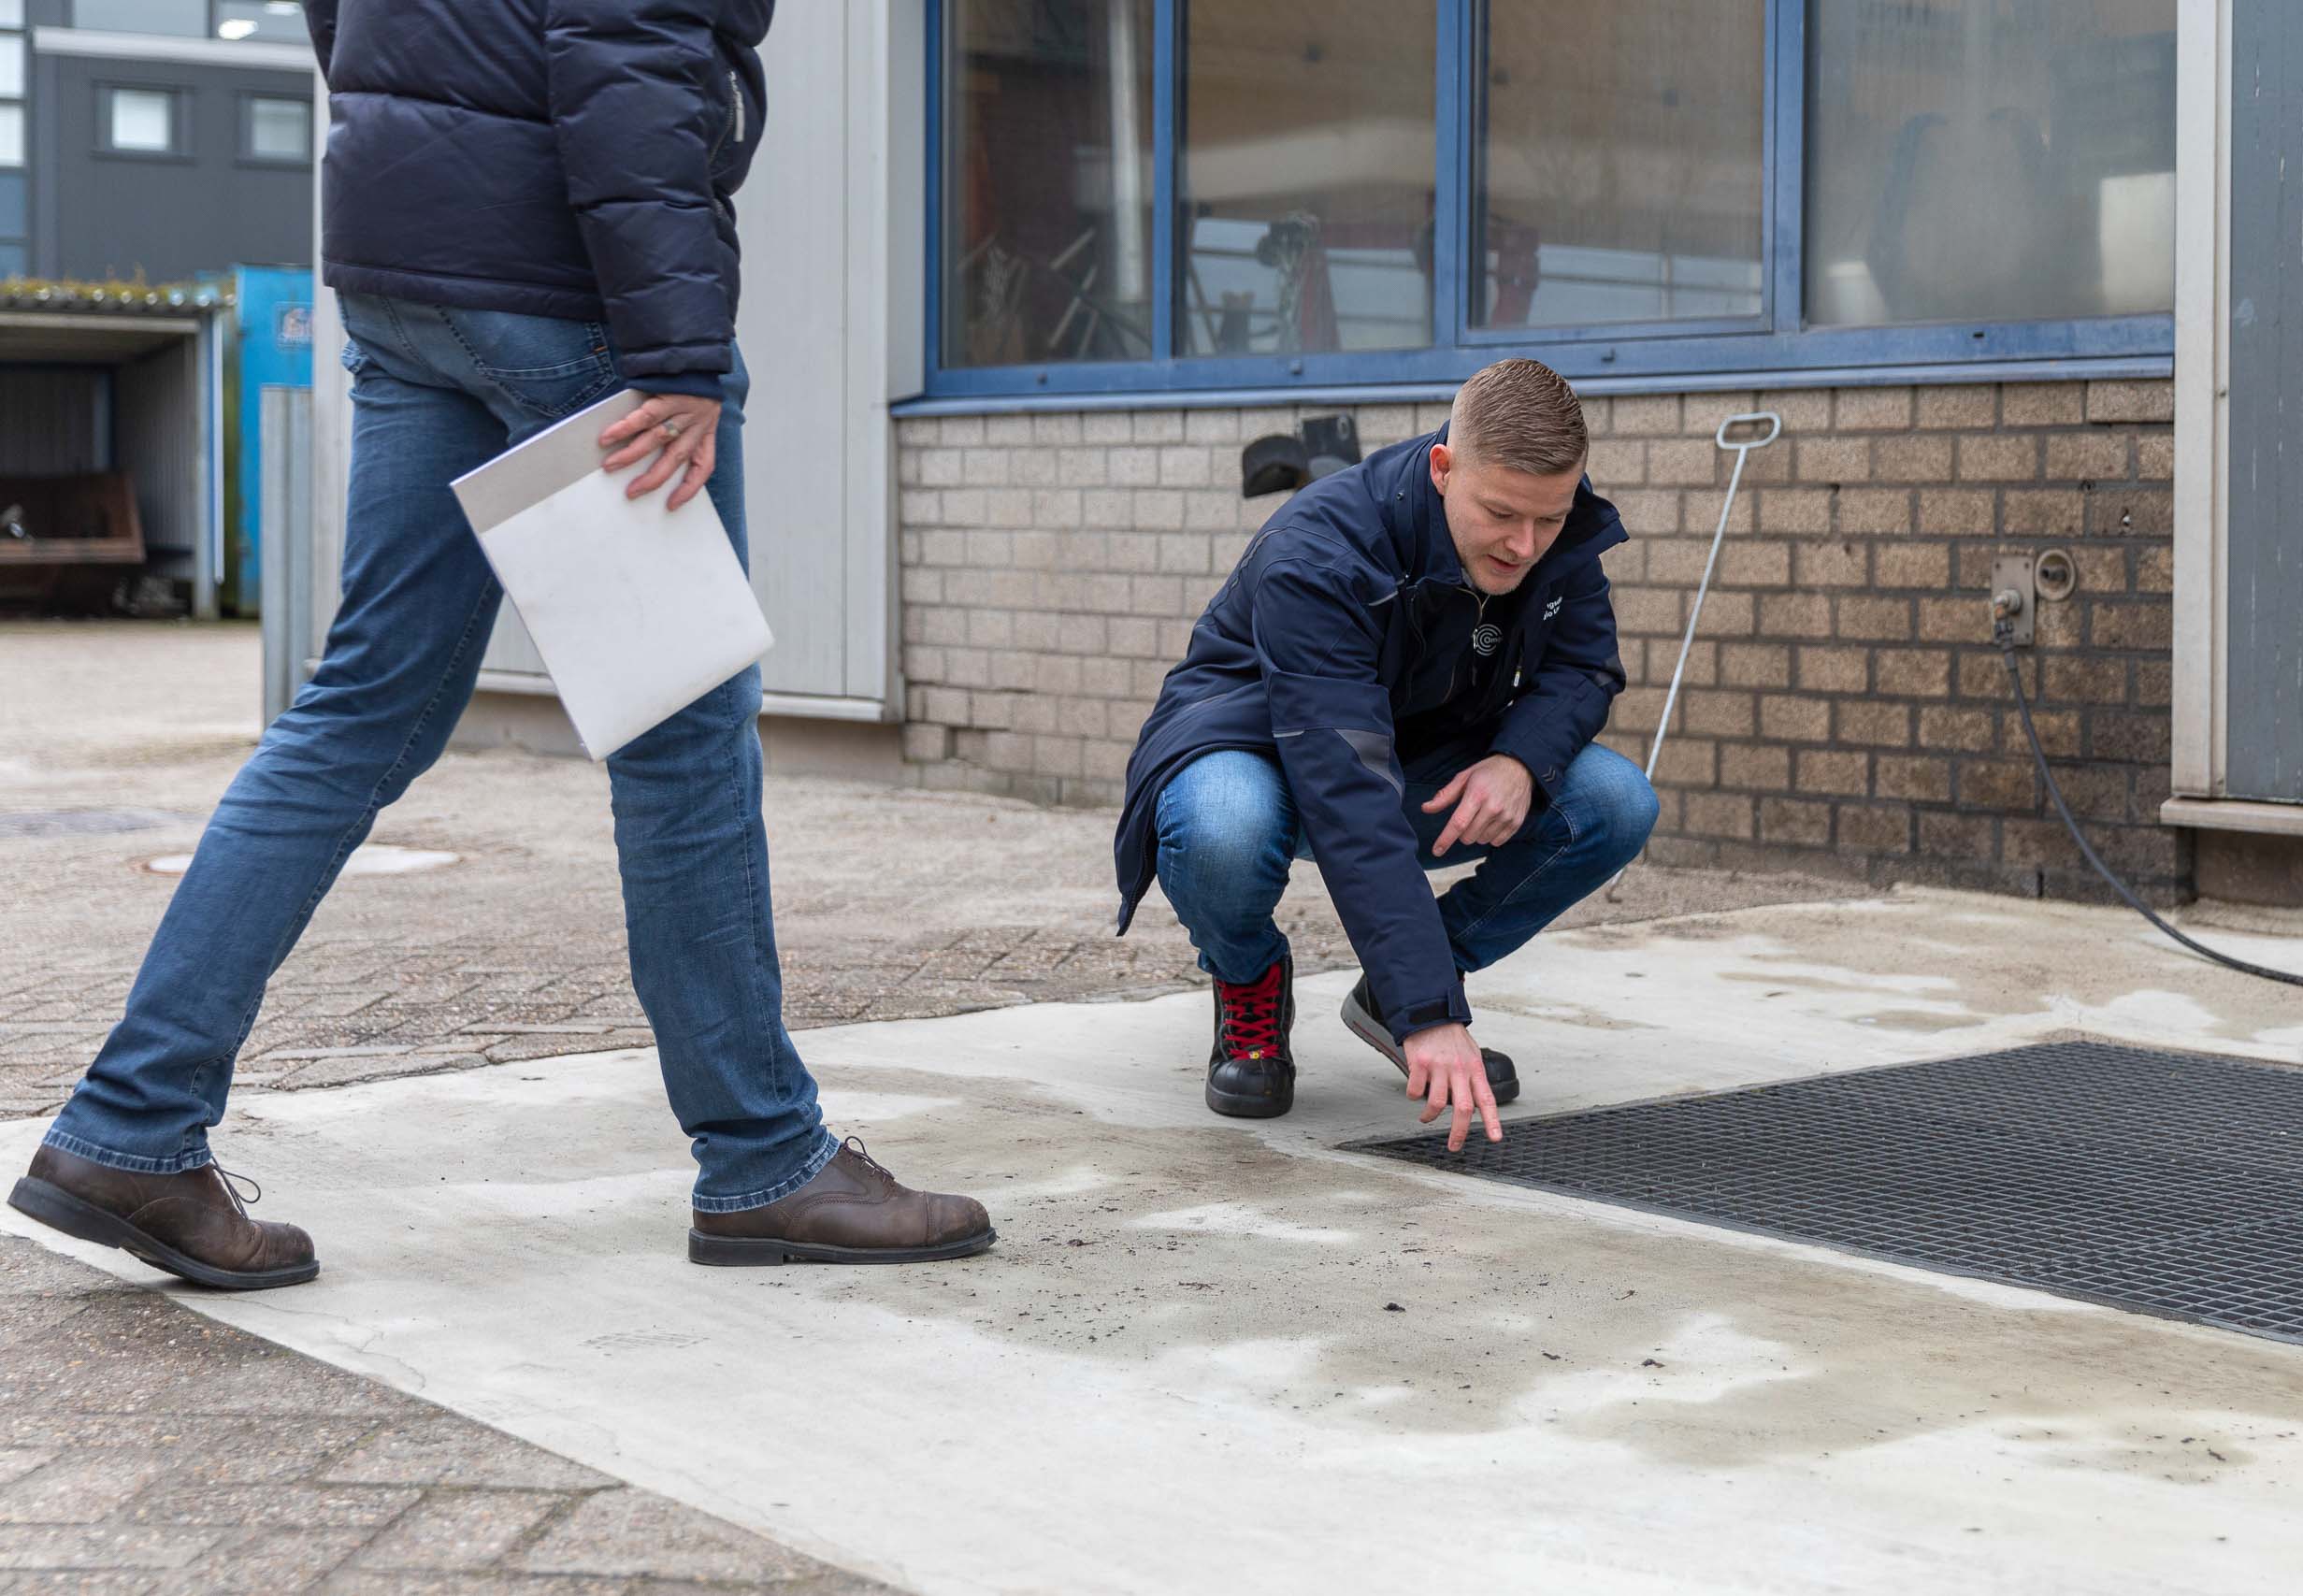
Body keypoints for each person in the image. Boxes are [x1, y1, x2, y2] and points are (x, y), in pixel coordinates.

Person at [7, 0, 993, 1287]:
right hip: (560, 290)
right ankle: (765, 1159)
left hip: (407, 264)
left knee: (362, 705)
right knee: (680, 728)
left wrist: (426, 162)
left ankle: (133, 1122)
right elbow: (626, 61)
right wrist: (681, 355)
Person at [1114, 358, 1661, 1151]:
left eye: (1548, 519)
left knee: (1614, 801)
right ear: (1443, 469)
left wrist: (1518, 758)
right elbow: (1348, 785)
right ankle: (1249, 975)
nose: (1526, 545)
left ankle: (1404, 980)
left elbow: (1583, 667)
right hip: (1261, 753)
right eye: (1502, 514)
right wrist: (1433, 1014)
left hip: (1420, 760)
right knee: (1222, 825)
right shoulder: (1322, 551)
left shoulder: (1551, 531)